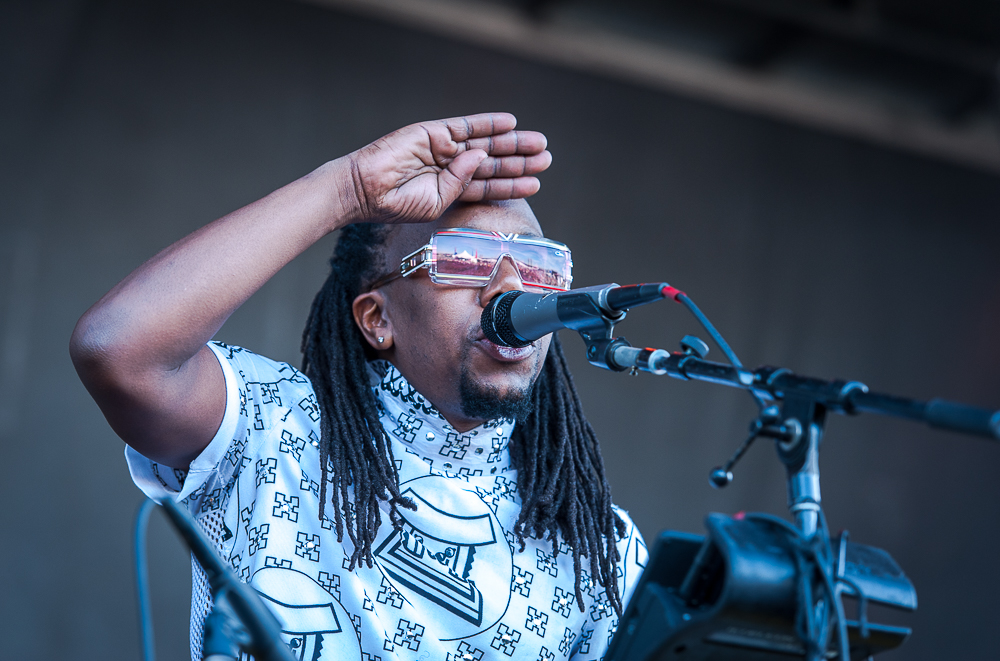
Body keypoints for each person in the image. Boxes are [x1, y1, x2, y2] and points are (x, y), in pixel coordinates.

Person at [71, 113, 647, 661]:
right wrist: (344, 189)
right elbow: (119, 350)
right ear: (378, 319)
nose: (511, 288)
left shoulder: (600, 542)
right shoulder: (269, 427)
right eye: (468, 259)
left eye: (539, 265)